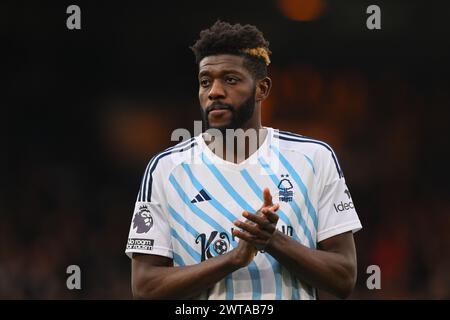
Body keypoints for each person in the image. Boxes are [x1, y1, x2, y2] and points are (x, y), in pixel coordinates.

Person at [125, 20, 362, 300]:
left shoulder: (313, 159)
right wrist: (232, 259)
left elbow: (344, 277)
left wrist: (273, 241)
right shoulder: (166, 170)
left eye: (230, 79)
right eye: (205, 82)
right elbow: (144, 287)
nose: (214, 91)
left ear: (262, 89)